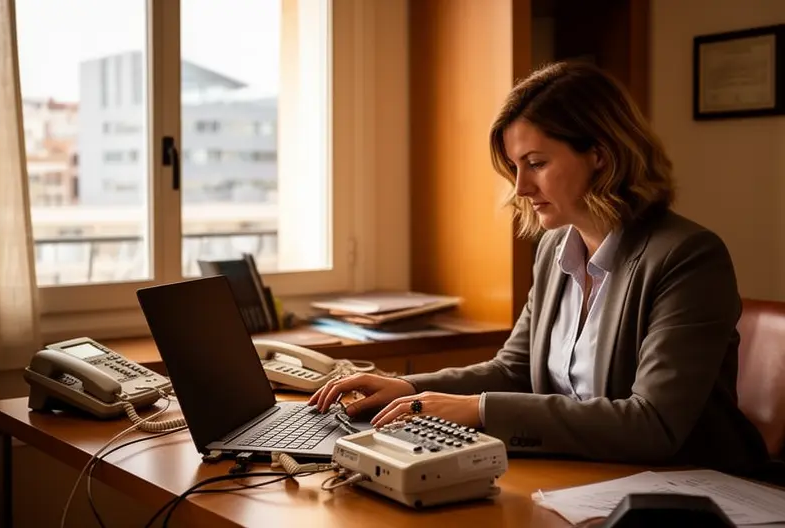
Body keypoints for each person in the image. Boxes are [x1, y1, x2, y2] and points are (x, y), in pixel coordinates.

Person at [308, 61, 769, 473]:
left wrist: (480, 410)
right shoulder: (555, 248)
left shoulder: (687, 256)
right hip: (587, 477)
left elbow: (653, 423)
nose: (521, 187)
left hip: (693, 490)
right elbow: (514, 370)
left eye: (537, 163)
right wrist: (405, 387)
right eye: (515, 167)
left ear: (601, 155)